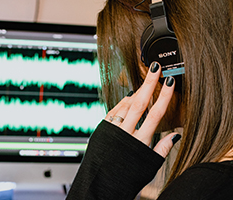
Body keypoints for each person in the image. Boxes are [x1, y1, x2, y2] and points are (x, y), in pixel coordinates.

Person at [66, 0, 233, 199]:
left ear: (171, 58)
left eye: (128, 59)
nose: (121, 80)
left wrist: (100, 183)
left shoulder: (201, 190)